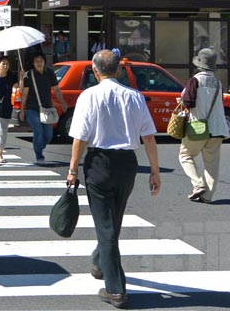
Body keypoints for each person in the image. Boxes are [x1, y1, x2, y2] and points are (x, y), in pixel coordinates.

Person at [66, 49, 161, 309]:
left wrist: (73, 169)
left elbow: (80, 137)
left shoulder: (89, 96)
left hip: (98, 163)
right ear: (119, 70)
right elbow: (149, 136)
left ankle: (115, 288)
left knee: (106, 225)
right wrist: (155, 170)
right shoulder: (134, 96)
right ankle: (100, 260)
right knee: (113, 219)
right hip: (127, 164)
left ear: (95, 72)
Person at [177, 48, 228, 204]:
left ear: (199, 64)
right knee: (212, 164)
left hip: (198, 126)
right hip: (218, 128)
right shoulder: (218, 83)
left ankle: (198, 184)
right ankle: (208, 196)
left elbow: (188, 101)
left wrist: (181, 102)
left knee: (185, 155)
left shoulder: (195, 80)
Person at [21, 52, 68, 165]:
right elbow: (24, 94)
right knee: (39, 131)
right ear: (33, 63)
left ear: (44, 62)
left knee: (48, 135)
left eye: (41, 60)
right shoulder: (28, 75)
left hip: (47, 108)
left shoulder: (50, 73)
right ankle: (39, 155)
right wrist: (22, 109)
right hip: (32, 108)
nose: (39, 63)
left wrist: (62, 102)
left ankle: (39, 145)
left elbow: (56, 89)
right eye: (36, 61)